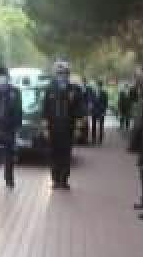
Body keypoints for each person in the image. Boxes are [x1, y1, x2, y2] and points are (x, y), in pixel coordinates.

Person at [42, 60, 83, 190]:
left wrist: (77, 127)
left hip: (68, 127)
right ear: (56, 75)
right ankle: (55, 180)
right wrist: (45, 128)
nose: (62, 76)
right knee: (54, 154)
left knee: (66, 154)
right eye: (59, 73)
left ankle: (64, 180)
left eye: (64, 73)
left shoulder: (74, 90)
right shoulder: (50, 89)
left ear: (68, 75)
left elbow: (79, 110)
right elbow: (45, 110)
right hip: (53, 127)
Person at [90, 80, 108, 144]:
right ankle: (93, 138)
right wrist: (91, 109)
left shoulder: (104, 93)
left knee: (101, 126)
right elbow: (91, 101)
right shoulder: (93, 93)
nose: (98, 87)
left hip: (101, 111)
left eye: (99, 85)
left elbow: (106, 103)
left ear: (101, 86)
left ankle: (100, 139)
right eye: (97, 85)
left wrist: (104, 112)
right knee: (93, 125)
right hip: (94, 111)